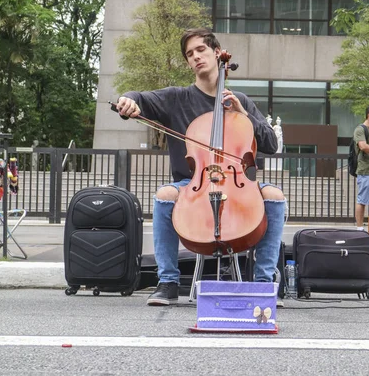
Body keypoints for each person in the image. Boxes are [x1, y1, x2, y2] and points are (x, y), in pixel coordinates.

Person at [116, 28, 286, 306]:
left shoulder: (240, 100)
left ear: (218, 54)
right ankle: (168, 282)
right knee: (165, 194)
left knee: (275, 196)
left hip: (237, 184)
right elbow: (139, 97)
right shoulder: (176, 98)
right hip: (192, 184)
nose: (195, 57)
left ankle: (263, 283)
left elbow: (269, 143)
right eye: (189, 54)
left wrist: (243, 116)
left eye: (201, 50)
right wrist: (128, 100)